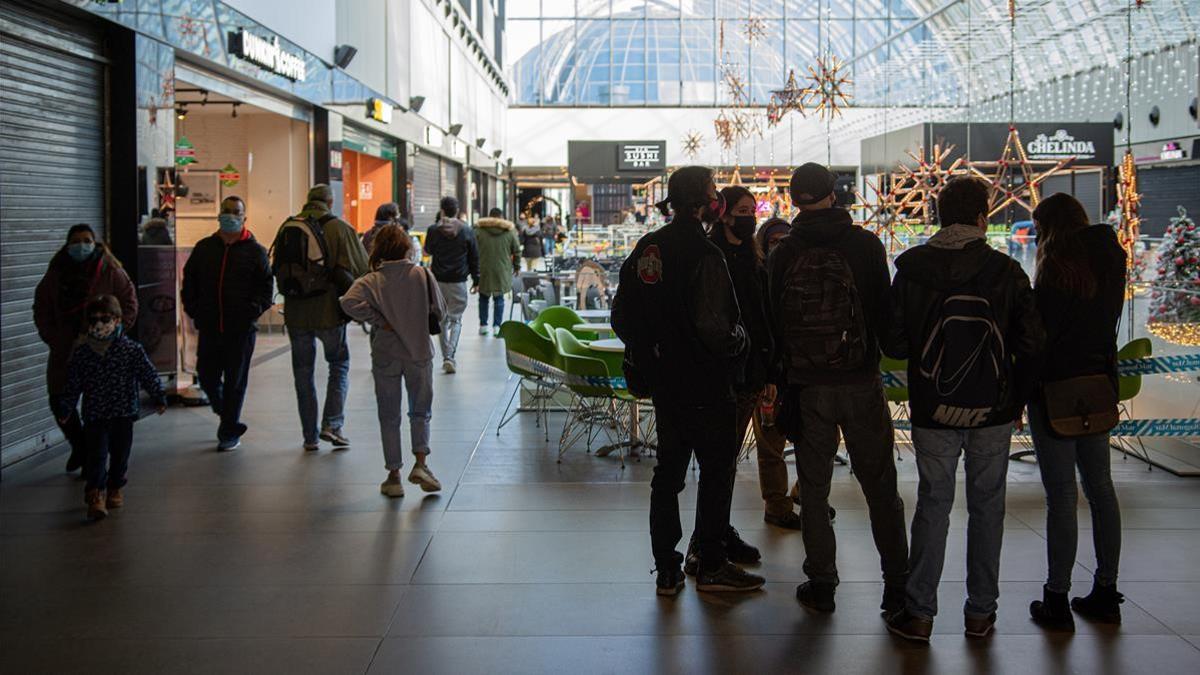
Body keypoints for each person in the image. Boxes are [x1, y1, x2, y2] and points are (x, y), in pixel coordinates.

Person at [885, 176, 1044, 642]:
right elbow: (1031, 341)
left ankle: (919, 613)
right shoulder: (1005, 271)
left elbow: (893, 342)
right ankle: (980, 613)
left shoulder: (911, 270)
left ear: (937, 216)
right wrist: (1014, 396)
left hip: (933, 407)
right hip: (992, 409)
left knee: (933, 503)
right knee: (988, 505)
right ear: (982, 217)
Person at [612, 165, 764, 597]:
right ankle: (712, 563)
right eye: (715, 192)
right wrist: (742, 344)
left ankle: (666, 569)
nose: (719, 200)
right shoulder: (706, 254)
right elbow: (716, 328)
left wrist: (650, 351)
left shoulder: (649, 249)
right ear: (703, 202)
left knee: (668, 475)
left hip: (665, 386)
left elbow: (621, 314)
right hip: (709, 385)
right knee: (716, 472)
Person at [768, 163, 909, 615]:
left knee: (813, 489)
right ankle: (896, 584)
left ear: (794, 200)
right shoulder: (865, 245)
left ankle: (823, 583)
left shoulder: (784, 253)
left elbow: (773, 325)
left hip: (808, 387)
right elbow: (885, 319)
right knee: (880, 485)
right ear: (834, 193)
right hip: (860, 381)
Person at [1026, 193, 1127, 629]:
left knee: (1063, 496)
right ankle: (1106, 589)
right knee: (1101, 489)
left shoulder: (1054, 272)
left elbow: (1039, 340)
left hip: (1055, 391)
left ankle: (1057, 597)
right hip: (1098, 385)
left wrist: (1023, 390)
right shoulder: (1111, 259)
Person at [709, 189, 803, 531]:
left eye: (752, 210)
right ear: (725, 214)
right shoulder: (714, 258)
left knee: (756, 449)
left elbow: (762, 320)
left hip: (756, 373)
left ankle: (720, 532)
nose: (749, 216)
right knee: (721, 460)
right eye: (742, 210)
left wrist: (769, 370)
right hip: (725, 375)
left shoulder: (753, 261)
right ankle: (711, 539)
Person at [341, 226, 446, 498]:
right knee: (420, 411)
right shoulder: (421, 274)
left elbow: (348, 302)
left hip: (386, 353)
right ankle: (421, 464)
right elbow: (441, 312)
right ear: (406, 247)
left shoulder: (372, 279)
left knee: (389, 414)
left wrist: (380, 320)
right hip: (419, 352)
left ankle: (393, 475)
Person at [34, 224, 138, 473]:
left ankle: (96, 461)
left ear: (96, 243)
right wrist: (54, 338)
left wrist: (113, 335)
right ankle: (81, 447)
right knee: (60, 401)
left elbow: (129, 302)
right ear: (67, 244)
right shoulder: (57, 272)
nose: (81, 245)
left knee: (99, 410)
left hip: (101, 350)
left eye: (87, 240)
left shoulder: (110, 270)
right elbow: (42, 307)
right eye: (76, 241)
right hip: (66, 349)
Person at [54, 295, 166, 521]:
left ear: (117, 320)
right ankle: (95, 493)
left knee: (120, 455)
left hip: (123, 413)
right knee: (96, 455)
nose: (99, 324)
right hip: (95, 415)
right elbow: (73, 383)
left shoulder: (131, 350)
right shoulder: (83, 354)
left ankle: (115, 486)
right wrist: (65, 407)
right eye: (93, 320)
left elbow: (147, 373)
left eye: (105, 319)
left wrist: (159, 396)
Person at [181, 195, 274, 451]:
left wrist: (252, 310)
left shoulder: (255, 252)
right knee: (208, 376)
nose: (230, 215)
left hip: (241, 330)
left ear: (244, 217)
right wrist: (194, 309)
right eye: (227, 210)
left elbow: (266, 287)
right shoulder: (205, 248)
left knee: (235, 381)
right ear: (219, 213)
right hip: (210, 326)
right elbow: (189, 281)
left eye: (236, 211)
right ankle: (227, 416)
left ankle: (228, 432)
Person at [282, 184, 369, 451]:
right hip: (329, 312)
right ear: (330, 202)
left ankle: (309, 436)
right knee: (339, 364)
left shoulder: (288, 226)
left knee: (303, 373)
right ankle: (332, 424)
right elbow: (362, 267)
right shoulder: (340, 228)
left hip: (296, 313)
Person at [425, 196, 480, 373]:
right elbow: (474, 257)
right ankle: (450, 356)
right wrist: (476, 279)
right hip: (458, 281)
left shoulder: (434, 230)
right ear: (456, 211)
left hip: (438, 281)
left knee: (441, 319)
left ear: (442, 210)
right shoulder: (466, 230)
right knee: (455, 319)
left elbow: (428, 250)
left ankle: (446, 356)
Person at [474, 207, 520, 336]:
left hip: (483, 269)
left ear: (489, 217)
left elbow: (472, 250)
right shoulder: (509, 232)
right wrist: (516, 267)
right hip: (502, 270)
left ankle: (483, 325)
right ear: (501, 217)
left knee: (483, 297)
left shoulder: (478, 231)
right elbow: (517, 251)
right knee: (499, 298)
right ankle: (497, 326)